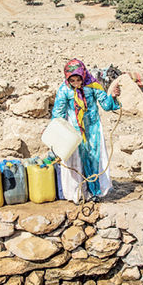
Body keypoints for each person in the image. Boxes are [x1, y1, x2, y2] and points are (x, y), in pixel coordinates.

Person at [52, 58, 121, 204]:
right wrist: (58, 134)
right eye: (73, 81)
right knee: (76, 161)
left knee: (95, 159)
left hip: (93, 129)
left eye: (79, 79)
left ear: (83, 75)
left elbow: (106, 105)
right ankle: (78, 193)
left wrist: (113, 96)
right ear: (67, 79)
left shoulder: (93, 85)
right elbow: (58, 113)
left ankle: (95, 192)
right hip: (74, 130)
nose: (76, 83)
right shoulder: (64, 90)